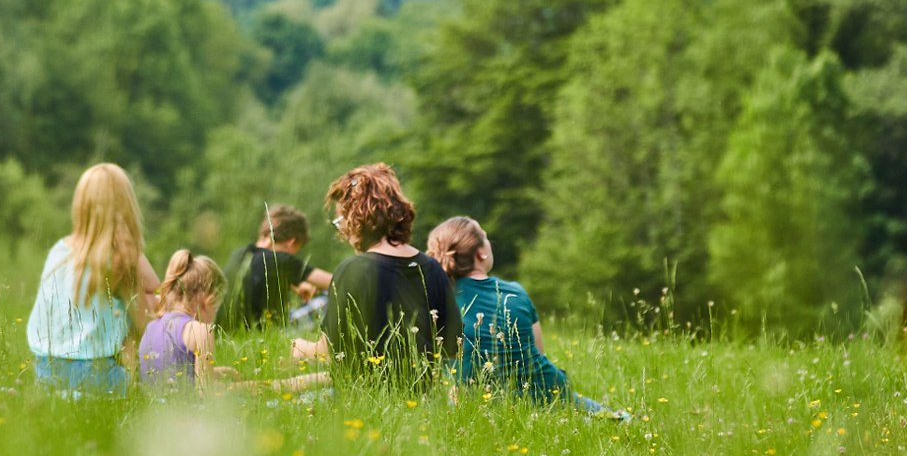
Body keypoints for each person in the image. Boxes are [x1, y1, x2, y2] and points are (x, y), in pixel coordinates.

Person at [427, 216, 627, 418]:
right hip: (546, 392)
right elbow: (538, 353)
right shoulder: (515, 293)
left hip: (480, 404)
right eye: (485, 238)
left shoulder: (437, 302)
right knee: (615, 418)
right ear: (480, 253)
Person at [291, 163, 462, 388]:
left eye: (341, 220)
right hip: (422, 399)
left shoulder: (353, 270)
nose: (342, 231)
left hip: (362, 399)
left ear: (356, 217)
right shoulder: (431, 267)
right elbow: (452, 348)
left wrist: (299, 348)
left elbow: (329, 353)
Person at [26, 163, 161, 397]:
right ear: (127, 207)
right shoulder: (115, 260)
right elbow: (148, 321)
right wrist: (131, 250)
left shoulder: (59, 251)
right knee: (154, 303)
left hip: (47, 370)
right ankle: (136, 384)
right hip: (95, 375)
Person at [217, 205, 332, 331]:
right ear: (291, 242)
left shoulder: (239, 255)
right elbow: (336, 281)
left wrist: (294, 286)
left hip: (230, 330)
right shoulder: (282, 260)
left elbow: (256, 279)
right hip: (264, 329)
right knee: (326, 299)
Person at [139, 249, 227, 391]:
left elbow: (174, 370)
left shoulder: (150, 327)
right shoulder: (201, 331)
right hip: (184, 405)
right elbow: (205, 392)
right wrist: (254, 386)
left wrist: (221, 372)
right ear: (209, 301)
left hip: (152, 404)